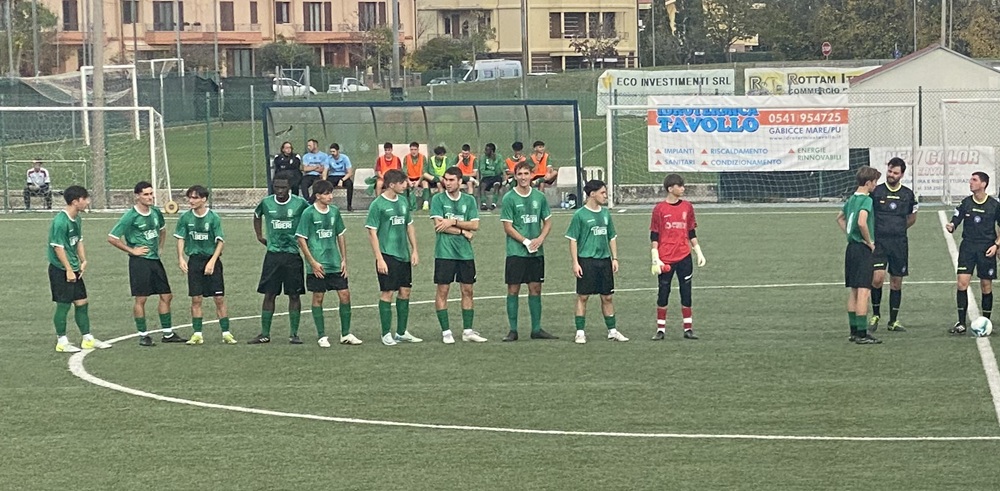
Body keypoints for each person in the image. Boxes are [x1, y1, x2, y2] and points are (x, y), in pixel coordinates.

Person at [108, 181, 184, 347]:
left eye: (151, 194)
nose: (150, 197)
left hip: (155, 260)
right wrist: (132, 250)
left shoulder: (156, 212)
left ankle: (168, 333)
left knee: (166, 295)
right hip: (139, 262)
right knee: (141, 298)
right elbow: (112, 238)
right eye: (146, 194)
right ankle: (143, 335)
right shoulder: (130, 216)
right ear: (137, 196)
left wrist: (160, 248)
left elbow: (162, 230)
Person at [296, 179, 360, 347]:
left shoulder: (334, 212)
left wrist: (344, 259)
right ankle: (322, 335)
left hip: (335, 263)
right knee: (318, 297)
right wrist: (312, 262)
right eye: (326, 194)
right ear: (317, 196)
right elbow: (301, 239)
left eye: (331, 193)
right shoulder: (308, 213)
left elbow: (340, 234)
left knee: (345, 295)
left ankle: (346, 334)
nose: (330, 196)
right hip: (318, 264)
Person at [249, 172, 310, 345]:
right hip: (273, 255)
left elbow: (311, 215)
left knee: (294, 295)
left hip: (292, 255)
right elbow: (257, 215)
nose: (280, 191)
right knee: (269, 294)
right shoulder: (267, 203)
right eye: (276, 187)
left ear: (289, 187)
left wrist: (306, 237)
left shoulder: (300, 203)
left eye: (283, 187)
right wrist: (259, 236)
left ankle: (294, 334)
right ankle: (265, 334)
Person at [48, 185, 111, 352]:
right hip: (61, 269)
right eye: (85, 199)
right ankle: (62, 342)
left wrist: (83, 260)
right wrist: (68, 269)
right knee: (64, 304)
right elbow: (58, 247)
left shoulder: (77, 219)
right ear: (75, 201)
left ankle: (87, 339)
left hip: (74, 267)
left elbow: (78, 240)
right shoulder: (60, 222)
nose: (88, 202)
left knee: (82, 302)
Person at [500, 162, 558, 341]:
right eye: (520, 174)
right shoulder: (509, 198)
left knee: (535, 288)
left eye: (526, 173)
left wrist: (540, 239)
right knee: (513, 289)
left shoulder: (539, 197)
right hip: (516, 252)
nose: (523, 177)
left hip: (536, 252)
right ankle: (513, 330)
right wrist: (526, 241)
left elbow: (547, 221)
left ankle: (536, 329)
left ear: (532, 175)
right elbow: (507, 227)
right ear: (515, 176)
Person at [565, 180, 628, 344]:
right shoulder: (580, 215)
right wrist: (575, 262)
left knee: (607, 297)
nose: (605, 196)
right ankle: (580, 332)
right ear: (592, 194)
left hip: (604, 261)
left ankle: (612, 331)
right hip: (586, 261)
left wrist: (614, 258)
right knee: (583, 297)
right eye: (602, 193)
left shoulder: (605, 214)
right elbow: (573, 239)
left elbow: (612, 236)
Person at [366, 169, 422, 346]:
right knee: (388, 292)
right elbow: (372, 232)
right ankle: (386, 334)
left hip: (403, 255)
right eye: (402, 182)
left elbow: (409, 226)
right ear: (391, 184)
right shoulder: (378, 204)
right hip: (387, 255)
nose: (406, 185)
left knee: (405, 291)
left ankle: (401, 332)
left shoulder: (403, 201)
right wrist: (379, 258)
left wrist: (414, 250)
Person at [430, 166, 486, 344]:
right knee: (443, 290)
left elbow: (475, 225)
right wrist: (462, 231)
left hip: (465, 254)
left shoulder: (469, 200)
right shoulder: (438, 199)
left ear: (460, 182)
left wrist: (453, 221)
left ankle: (467, 331)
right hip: (444, 253)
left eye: (451, 180)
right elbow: (439, 226)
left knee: (468, 290)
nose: (447, 183)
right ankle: (446, 332)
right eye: (446, 179)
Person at [173, 185, 234, 345]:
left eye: (195, 197)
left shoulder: (213, 218)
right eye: (190, 197)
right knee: (196, 298)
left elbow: (220, 241)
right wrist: (181, 258)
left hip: (212, 260)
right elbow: (181, 238)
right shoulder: (185, 218)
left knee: (219, 298)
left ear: (204, 199)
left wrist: (212, 261)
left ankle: (226, 333)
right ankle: (197, 334)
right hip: (195, 261)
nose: (191, 201)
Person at [650, 174, 707, 341]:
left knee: (686, 292)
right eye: (679, 186)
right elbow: (654, 234)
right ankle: (660, 329)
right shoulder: (659, 209)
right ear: (670, 188)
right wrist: (655, 255)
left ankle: (688, 328)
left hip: (684, 256)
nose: (683, 188)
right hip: (665, 258)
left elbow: (691, 231)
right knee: (663, 292)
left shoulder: (687, 207)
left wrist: (698, 250)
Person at [945, 171, 1000, 335]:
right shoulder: (966, 203)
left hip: (986, 248)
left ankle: (986, 322)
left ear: (983, 184)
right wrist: (952, 226)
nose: (970, 182)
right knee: (962, 283)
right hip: (968, 247)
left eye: (974, 180)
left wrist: (996, 245)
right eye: (971, 179)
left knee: (986, 285)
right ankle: (961, 323)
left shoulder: (994, 205)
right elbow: (956, 218)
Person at [869, 157, 918, 333]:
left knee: (896, 282)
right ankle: (875, 315)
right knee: (877, 278)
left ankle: (893, 321)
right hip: (879, 243)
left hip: (899, 243)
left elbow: (912, 218)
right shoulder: (877, 192)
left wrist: (897, 228)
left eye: (895, 173)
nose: (891, 175)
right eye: (890, 171)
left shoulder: (908, 194)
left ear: (902, 175)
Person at [837, 166, 882, 344]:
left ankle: (854, 331)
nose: (875, 185)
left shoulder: (851, 199)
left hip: (851, 248)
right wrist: (869, 242)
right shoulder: (866, 200)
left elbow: (840, 218)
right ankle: (862, 334)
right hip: (862, 250)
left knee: (854, 291)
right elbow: (862, 222)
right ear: (868, 182)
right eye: (875, 182)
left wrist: (850, 233)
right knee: (864, 291)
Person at [322, 143, 355, 212]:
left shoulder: (345, 158)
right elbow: (325, 171)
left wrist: (342, 180)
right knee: (327, 186)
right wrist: (324, 180)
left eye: (333, 151)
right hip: (332, 176)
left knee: (350, 184)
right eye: (331, 152)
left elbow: (350, 173)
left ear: (338, 151)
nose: (332, 153)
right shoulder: (328, 158)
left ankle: (349, 205)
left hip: (343, 176)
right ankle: (326, 204)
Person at [478, 143, 505, 211]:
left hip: (497, 177)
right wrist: (492, 172)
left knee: (496, 186)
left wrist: (495, 161)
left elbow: (499, 170)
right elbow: (482, 170)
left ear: (492, 151)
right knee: (482, 186)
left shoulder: (499, 157)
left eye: (487, 150)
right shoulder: (483, 157)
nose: (485, 151)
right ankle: (483, 204)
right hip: (487, 177)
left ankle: (493, 204)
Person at [421, 145, 449, 209]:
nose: (442, 156)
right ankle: (426, 203)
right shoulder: (431, 159)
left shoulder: (446, 159)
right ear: (436, 154)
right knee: (425, 178)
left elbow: (448, 169)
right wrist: (438, 177)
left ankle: (441, 203)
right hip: (433, 178)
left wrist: (442, 177)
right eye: (440, 155)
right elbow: (430, 171)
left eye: (443, 155)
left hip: (443, 179)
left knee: (439, 184)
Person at [403, 142, 426, 209]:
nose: (413, 151)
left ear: (418, 149)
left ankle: (426, 203)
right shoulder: (406, 157)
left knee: (425, 183)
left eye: (415, 149)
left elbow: (424, 172)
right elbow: (404, 171)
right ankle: (405, 203)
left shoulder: (423, 157)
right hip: (409, 178)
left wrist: (418, 181)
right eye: (411, 149)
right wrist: (409, 181)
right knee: (404, 184)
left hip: (420, 178)